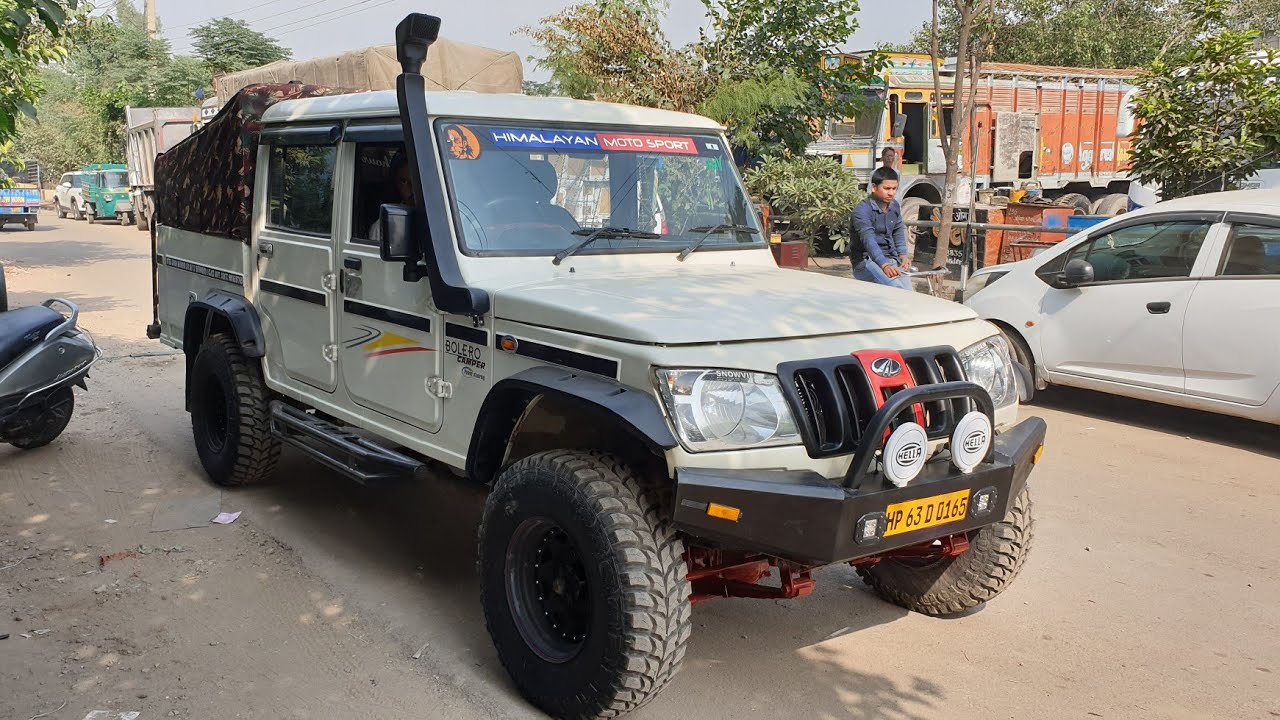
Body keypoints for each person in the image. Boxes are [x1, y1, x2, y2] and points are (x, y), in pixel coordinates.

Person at [850, 166, 912, 290]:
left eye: (894, 189)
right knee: (898, 291)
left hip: (892, 259)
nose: (892, 193)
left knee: (910, 294)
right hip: (867, 262)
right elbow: (869, 241)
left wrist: (903, 255)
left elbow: (898, 231)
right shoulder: (862, 211)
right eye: (887, 188)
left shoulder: (894, 206)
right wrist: (884, 265)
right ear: (874, 187)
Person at [368, 152, 414, 243]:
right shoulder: (385, 225)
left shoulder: (446, 217)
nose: (412, 189)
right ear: (397, 185)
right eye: (404, 182)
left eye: (417, 180)